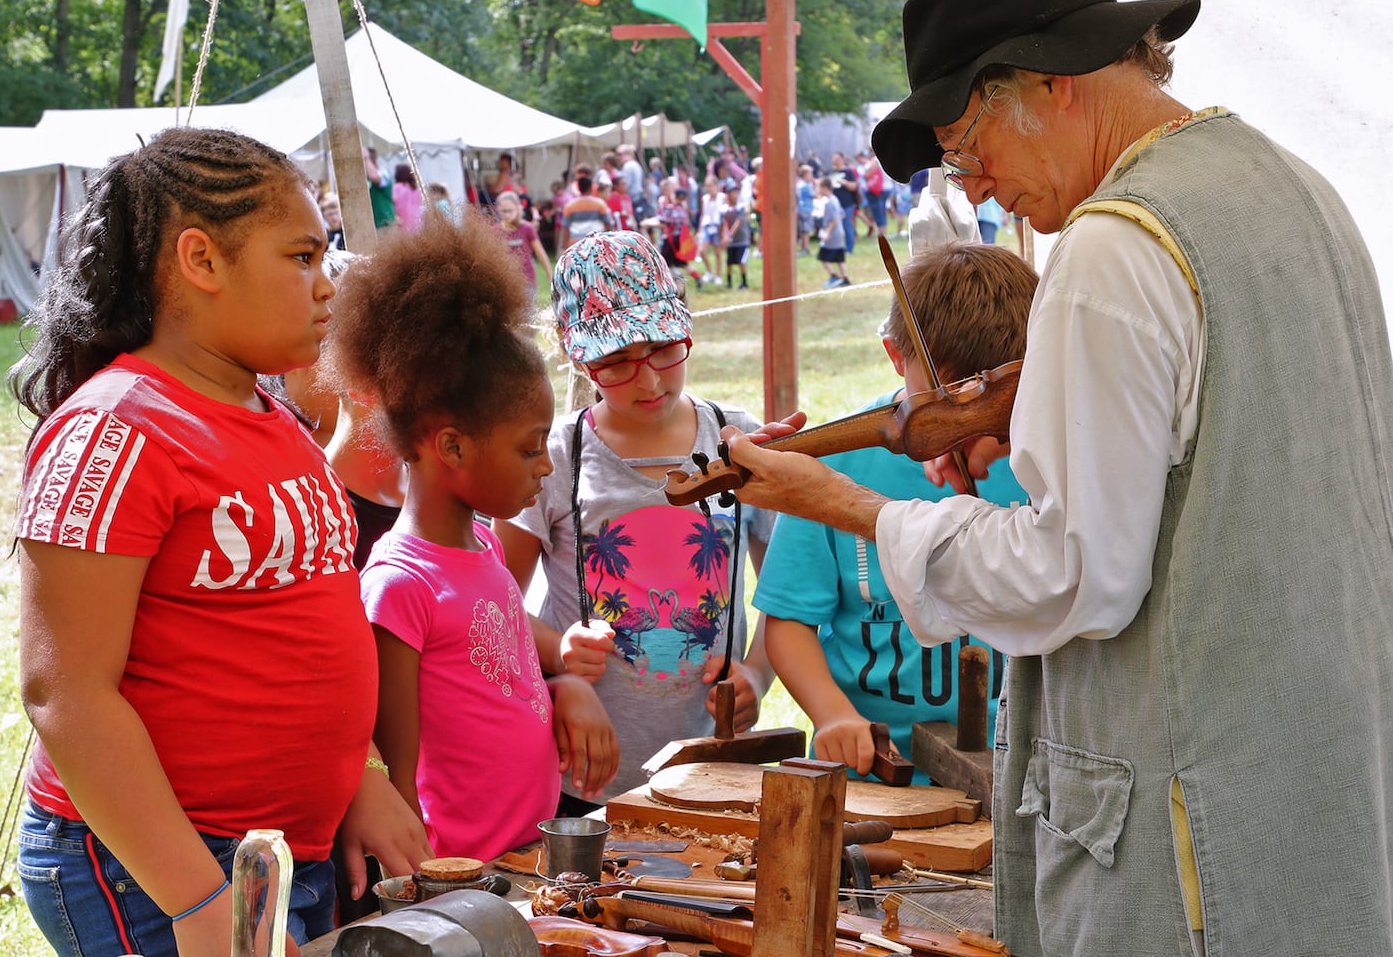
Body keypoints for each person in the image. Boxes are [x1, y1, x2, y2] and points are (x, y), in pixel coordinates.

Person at [721, 0, 1393, 954]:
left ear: (1051, 80)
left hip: (1189, 849)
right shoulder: (1306, 195)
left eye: (966, 141)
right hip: (1317, 805)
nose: (974, 183)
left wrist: (857, 507)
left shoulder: (1113, 246)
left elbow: (1076, 574)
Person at [10, 127, 431, 957]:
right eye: (304, 257)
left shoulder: (269, 418)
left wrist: (355, 782)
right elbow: (66, 695)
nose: (329, 286)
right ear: (202, 261)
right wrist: (198, 900)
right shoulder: (113, 430)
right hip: (154, 873)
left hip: (275, 857)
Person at [322, 218, 617, 863]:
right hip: (453, 881)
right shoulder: (401, 585)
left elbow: (502, 677)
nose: (545, 465)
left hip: (522, 860)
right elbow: (396, 777)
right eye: (529, 447)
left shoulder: (483, 544)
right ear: (452, 446)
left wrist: (562, 684)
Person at [493, 230, 776, 812]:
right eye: (618, 363)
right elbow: (494, 606)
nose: (648, 380)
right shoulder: (555, 457)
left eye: (663, 350)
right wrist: (558, 649)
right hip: (587, 775)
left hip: (714, 767)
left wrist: (756, 671)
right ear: (581, 359)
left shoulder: (736, 440)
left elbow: (786, 596)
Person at [754, 242, 1035, 783]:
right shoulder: (836, 466)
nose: (969, 421)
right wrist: (833, 713)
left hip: (1022, 771)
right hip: (880, 773)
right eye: (950, 396)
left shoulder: (1045, 458)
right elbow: (787, 621)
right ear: (896, 357)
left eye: (995, 399)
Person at [494, 189, 552, 299]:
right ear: (498, 210)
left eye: (510, 210)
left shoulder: (527, 228)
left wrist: (550, 276)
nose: (507, 214)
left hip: (527, 280)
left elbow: (540, 253)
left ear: (518, 208)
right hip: (505, 281)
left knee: (526, 314)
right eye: (503, 211)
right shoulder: (496, 230)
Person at [559, 174, 614, 253]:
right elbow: (608, 224)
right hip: (596, 241)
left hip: (576, 243)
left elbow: (566, 227)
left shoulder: (569, 206)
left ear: (578, 188)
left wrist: (565, 247)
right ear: (591, 187)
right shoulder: (600, 204)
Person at [813, 177, 848, 288]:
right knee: (839, 258)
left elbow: (833, 220)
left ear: (825, 188)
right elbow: (842, 214)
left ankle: (834, 276)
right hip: (840, 232)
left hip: (833, 234)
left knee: (823, 256)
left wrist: (827, 233)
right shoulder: (835, 199)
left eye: (819, 187)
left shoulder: (829, 202)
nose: (818, 189)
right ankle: (845, 278)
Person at [827, 151, 861, 254]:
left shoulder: (848, 172)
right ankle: (837, 248)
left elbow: (854, 186)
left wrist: (843, 182)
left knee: (847, 226)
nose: (835, 161)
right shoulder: (830, 172)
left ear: (842, 159)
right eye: (833, 159)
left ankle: (849, 248)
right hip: (834, 205)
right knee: (836, 227)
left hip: (847, 204)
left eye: (837, 159)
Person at [720, 185, 751, 290]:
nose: (735, 195)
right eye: (733, 193)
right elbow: (724, 223)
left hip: (742, 240)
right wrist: (724, 236)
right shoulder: (725, 209)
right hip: (731, 242)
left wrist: (729, 235)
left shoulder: (740, 207)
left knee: (741, 261)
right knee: (729, 262)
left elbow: (738, 222)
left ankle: (744, 282)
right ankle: (729, 282)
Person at [696, 175, 725, 285]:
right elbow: (703, 214)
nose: (708, 188)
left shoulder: (722, 197)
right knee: (702, 250)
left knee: (717, 252)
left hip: (717, 225)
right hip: (707, 225)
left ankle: (718, 275)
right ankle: (709, 272)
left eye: (710, 185)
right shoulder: (705, 198)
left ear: (716, 185)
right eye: (706, 186)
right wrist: (699, 230)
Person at [363, 146, 397, 230]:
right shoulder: (365, 178)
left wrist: (366, 158)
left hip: (385, 223)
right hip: (372, 225)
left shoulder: (383, 173)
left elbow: (375, 177)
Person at [392, 162, 422, 233]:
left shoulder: (397, 187)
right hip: (416, 222)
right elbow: (419, 203)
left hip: (402, 222)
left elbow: (393, 201)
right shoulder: (415, 189)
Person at [795, 163, 817, 254]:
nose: (811, 176)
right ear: (805, 174)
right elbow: (814, 195)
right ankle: (805, 248)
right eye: (810, 174)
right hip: (806, 210)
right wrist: (817, 186)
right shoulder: (806, 186)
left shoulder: (799, 184)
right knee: (806, 231)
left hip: (800, 209)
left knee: (803, 230)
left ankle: (803, 247)